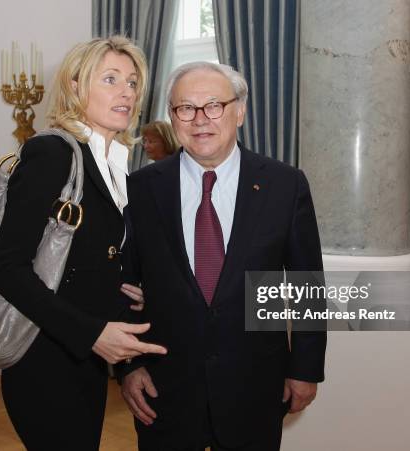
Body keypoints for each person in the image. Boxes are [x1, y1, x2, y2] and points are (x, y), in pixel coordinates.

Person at [118, 62, 327, 451]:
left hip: (256, 385)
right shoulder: (142, 189)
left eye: (214, 105)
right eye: (185, 108)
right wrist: (129, 365)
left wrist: (305, 369)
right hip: (165, 389)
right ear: (172, 116)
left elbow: (305, 287)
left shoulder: (285, 185)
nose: (200, 120)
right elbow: (125, 285)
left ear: (240, 111)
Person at [0, 36, 167, 451]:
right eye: (110, 79)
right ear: (74, 86)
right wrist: (91, 334)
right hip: (42, 361)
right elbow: (9, 269)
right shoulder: (51, 153)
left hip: (86, 360)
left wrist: (131, 291)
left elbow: (93, 263)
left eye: (132, 81)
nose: (126, 91)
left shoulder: (117, 164)